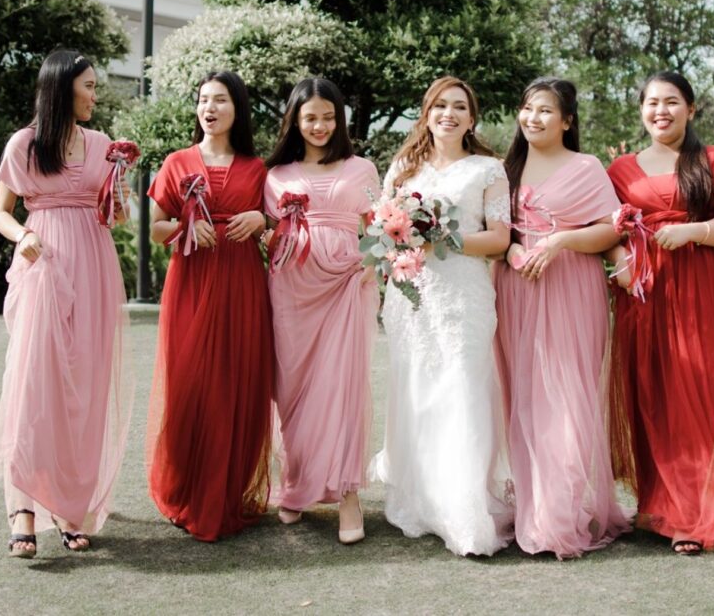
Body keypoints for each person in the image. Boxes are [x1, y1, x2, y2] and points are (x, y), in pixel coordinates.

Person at [0, 50, 133, 557]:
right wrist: (23, 236)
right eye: (90, 86)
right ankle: (23, 507)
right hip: (44, 265)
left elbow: (115, 216)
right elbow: (0, 214)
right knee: (36, 382)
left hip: (94, 266)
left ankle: (69, 506)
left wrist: (119, 194)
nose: (96, 94)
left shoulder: (100, 144)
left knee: (86, 386)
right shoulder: (24, 143)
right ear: (63, 87)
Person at [369, 76, 513, 557]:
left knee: (461, 389)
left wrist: (440, 241)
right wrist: (397, 246)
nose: (448, 114)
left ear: (472, 119)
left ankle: (465, 509)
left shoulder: (488, 170)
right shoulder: (402, 169)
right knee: (416, 390)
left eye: (459, 107)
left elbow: (498, 240)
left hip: (464, 296)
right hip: (412, 295)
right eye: (439, 106)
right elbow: (383, 229)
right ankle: (420, 499)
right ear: (426, 114)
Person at [606, 70, 714, 555]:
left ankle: (692, 514)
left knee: (695, 394)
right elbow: (609, 232)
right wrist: (620, 263)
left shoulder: (712, 161)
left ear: (691, 108)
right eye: (651, 102)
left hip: (698, 286)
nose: (660, 111)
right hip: (643, 290)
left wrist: (694, 232)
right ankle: (657, 504)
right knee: (648, 392)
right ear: (641, 110)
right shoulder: (621, 168)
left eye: (671, 102)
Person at [493, 77, 630, 558]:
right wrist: (512, 252)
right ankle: (535, 508)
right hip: (516, 290)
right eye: (527, 108)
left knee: (568, 401)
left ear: (568, 120)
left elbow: (608, 232)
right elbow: (491, 233)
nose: (534, 118)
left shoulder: (587, 167)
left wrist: (558, 241)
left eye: (546, 110)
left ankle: (562, 515)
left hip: (571, 287)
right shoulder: (503, 169)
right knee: (526, 400)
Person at [147, 70, 274, 542]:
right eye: (203, 99)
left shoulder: (257, 168)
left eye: (220, 100)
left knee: (236, 384)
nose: (210, 108)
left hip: (242, 285)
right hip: (192, 284)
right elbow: (156, 227)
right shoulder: (177, 163)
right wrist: (183, 229)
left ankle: (225, 493)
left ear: (237, 109)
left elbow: (277, 229)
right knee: (192, 385)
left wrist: (261, 218)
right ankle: (187, 489)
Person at [264, 78, 380, 544]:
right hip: (291, 286)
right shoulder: (275, 174)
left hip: (347, 283)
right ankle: (296, 484)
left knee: (344, 385)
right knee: (293, 388)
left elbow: (380, 226)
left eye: (329, 117)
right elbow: (268, 231)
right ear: (295, 119)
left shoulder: (362, 168)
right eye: (311, 117)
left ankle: (347, 494)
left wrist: (373, 263)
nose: (320, 126)